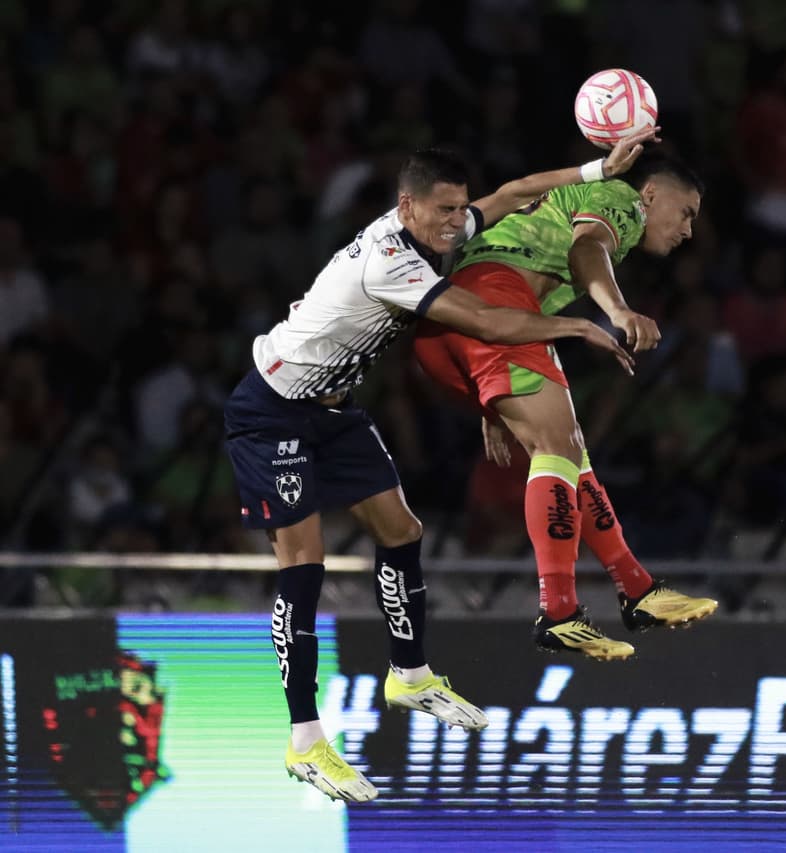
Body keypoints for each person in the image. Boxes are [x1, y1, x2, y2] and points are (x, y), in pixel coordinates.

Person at [223, 133, 652, 803]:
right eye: (446, 211)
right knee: (304, 563)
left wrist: (597, 167)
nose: (458, 223)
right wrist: (576, 327)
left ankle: (409, 674)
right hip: (272, 410)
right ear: (407, 206)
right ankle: (305, 739)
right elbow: (485, 319)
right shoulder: (391, 261)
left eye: (460, 210)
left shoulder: (433, 230)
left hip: (333, 412)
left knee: (402, 530)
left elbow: (511, 195)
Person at [412, 149, 718, 663]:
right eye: (686, 212)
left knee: (572, 456)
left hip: (450, 325)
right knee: (558, 450)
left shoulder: (574, 197)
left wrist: (493, 410)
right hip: (496, 303)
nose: (688, 230)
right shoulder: (623, 200)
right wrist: (618, 310)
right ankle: (559, 611)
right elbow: (588, 249)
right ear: (651, 194)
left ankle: (637, 589)